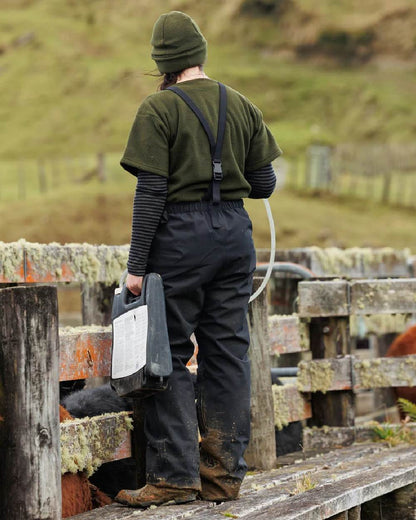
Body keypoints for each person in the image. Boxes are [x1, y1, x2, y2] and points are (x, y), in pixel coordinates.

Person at [115, 10, 281, 508]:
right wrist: (226, 178)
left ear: (163, 63)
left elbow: (151, 193)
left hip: (179, 238)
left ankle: (174, 477)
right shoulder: (242, 104)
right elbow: (266, 183)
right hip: (234, 235)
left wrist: (136, 266)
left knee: (164, 348)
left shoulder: (158, 109)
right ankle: (223, 477)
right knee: (227, 351)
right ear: (201, 53)